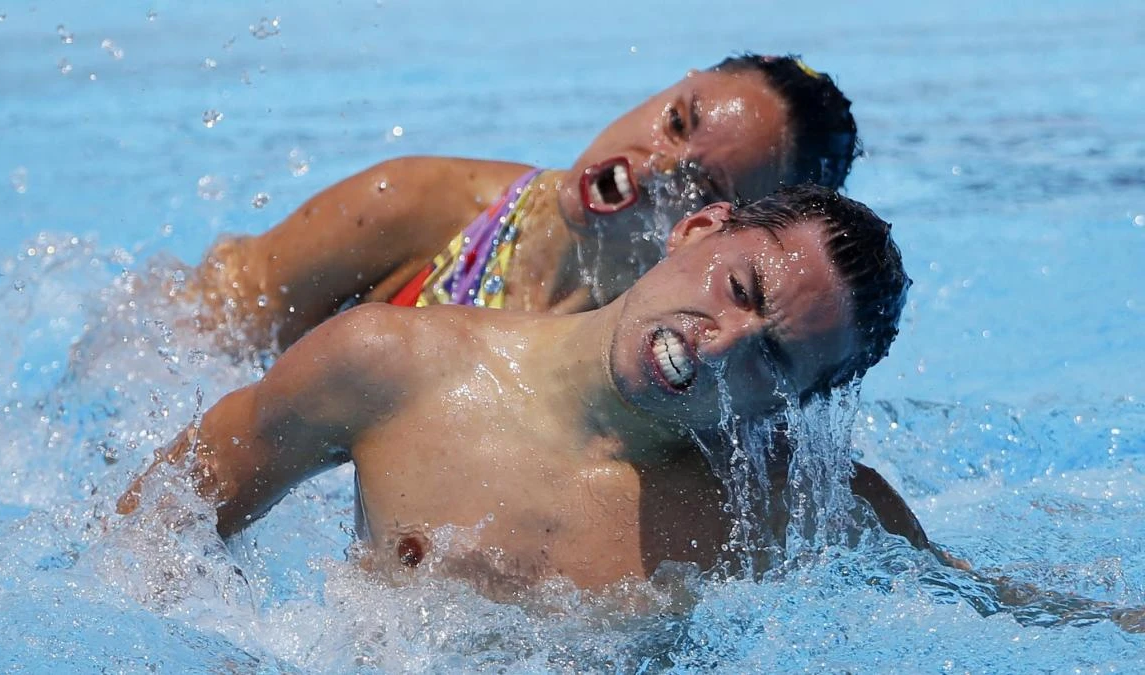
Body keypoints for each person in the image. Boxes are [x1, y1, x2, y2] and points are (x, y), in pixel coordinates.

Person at [120, 185, 923, 591]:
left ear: (786, 404)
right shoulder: (391, 363)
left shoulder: (795, 506)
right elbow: (154, 522)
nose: (722, 343)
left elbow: (966, 608)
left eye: (773, 360)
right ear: (697, 228)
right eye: (741, 288)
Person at [184, 55, 859, 351]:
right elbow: (196, 330)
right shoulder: (418, 206)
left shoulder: (681, 358)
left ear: (721, 227)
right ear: (673, 85)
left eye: (702, 187)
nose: (652, 165)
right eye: (676, 120)